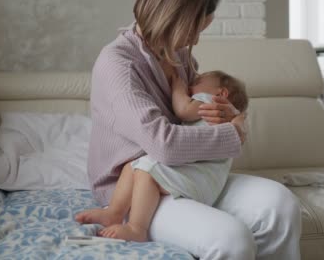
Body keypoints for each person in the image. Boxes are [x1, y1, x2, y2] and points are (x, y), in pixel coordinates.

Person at [77, 0, 302, 260]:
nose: (196, 41)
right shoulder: (118, 64)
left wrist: (227, 114)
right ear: (173, 17)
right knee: (231, 240)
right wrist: (232, 134)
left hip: (184, 172)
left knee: (281, 204)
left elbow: (195, 112)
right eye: (194, 29)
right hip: (136, 188)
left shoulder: (178, 54)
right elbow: (163, 144)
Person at [76, 70, 248, 242]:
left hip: (198, 176)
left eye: (198, 81)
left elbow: (183, 109)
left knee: (146, 172)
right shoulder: (226, 118)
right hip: (201, 177)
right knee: (133, 165)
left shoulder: (211, 102)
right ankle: (114, 213)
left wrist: (178, 88)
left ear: (221, 93)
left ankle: (136, 228)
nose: (191, 84)